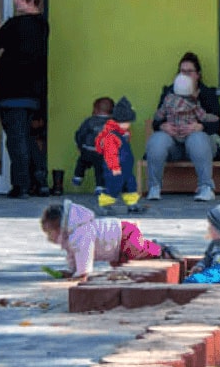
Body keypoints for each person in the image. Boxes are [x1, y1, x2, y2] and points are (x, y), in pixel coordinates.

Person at [0, 0, 49, 198]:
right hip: (32, 90)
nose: (15, 1)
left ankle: (21, 185)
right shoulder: (42, 25)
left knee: (16, 139)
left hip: (10, 89)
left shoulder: (15, 24)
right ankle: (40, 180)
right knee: (26, 136)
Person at [145, 52, 220, 202]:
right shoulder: (169, 93)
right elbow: (157, 120)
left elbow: (216, 122)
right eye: (182, 71)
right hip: (174, 143)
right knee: (157, 140)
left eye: (189, 71)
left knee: (197, 139)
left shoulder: (207, 94)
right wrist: (163, 126)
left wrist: (200, 126)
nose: (185, 75)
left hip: (201, 146)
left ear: (198, 75)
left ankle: (206, 187)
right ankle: (154, 187)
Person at [41, 201, 169, 281]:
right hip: (116, 247)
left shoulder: (80, 233)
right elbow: (73, 255)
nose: (49, 238)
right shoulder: (71, 237)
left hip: (125, 233)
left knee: (137, 250)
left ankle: (159, 250)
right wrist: (72, 270)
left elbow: (84, 253)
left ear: (60, 227)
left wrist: (82, 273)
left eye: (50, 233)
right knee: (124, 265)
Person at [94, 97, 144, 216]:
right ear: (120, 121)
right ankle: (104, 204)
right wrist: (114, 167)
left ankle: (132, 203)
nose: (129, 125)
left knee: (130, 185)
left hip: (125, 168)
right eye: (128, 122)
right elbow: (110, 154)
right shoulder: (111, 136)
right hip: (115, 169)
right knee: (112, 187)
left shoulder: (121, 134)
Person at [71, 97, 115, 188]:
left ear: (96, 110)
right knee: (100, 169)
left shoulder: (89, 121)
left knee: (82, 162)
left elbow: (80, 133)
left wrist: (79, 145)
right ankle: (100, 187)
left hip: (88, 150)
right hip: (103, 153)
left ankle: (78, 176)